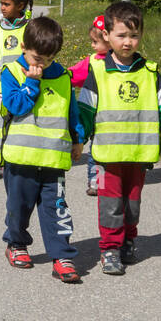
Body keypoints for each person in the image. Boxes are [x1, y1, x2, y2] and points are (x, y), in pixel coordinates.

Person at [78, 1, 161, 275]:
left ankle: (129, 240)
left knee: (132, 204)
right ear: (107, 36)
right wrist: (77, 138)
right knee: (110, 204)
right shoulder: (97, 72)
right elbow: (85, 111)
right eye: (121, 35)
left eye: (134, 35)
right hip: (106, 156)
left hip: (138, 155)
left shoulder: (150, 72)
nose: (127, 42)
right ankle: (110, 248)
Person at [0, 16, 85, 284]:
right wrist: (32, 83)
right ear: (23, 47)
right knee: (18, 207)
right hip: (21, 158)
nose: (41, 64)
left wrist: (77, 137)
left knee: (56, 208)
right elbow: (16, 106)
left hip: (53, 159)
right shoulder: (11, 72)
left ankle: (61, 256)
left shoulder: (62, 76)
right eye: (36, 57)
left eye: (47, 59)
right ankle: (16, 243)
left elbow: (72, 111)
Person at [0, 0, 33, 177]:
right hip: (5, 88)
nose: (2, 8)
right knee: (2, 121)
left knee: (26, 122)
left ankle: (25, 158)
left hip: (27, 85)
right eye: (1, 4)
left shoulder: (30, 27)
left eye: (6, 4)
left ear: (20, 6)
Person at [69, 14, 110, 196]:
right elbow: (74, 74)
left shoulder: (125, 61)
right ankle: (97, 182)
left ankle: (119, 179)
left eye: (95, 42)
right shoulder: (92, 61)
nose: (92, 46)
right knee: (97, 151)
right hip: (95, 114)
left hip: (117, 117)